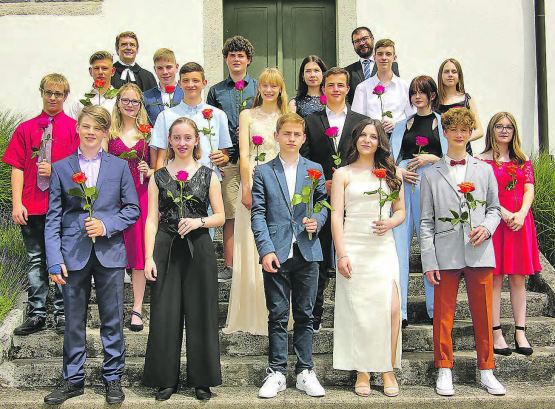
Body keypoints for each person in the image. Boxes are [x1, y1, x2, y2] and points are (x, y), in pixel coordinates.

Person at [43, 105, 140, 405]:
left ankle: (113, 378)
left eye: (97, 128)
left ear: (105, 132)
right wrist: (54, 259)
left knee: (113, 319)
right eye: (86, 126)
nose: (91, 132)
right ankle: (72, 379)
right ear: (78, 128)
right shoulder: (61, 167)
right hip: (73, 254)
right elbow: (53, 217)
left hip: (110, 253)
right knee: (73, 320)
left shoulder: (119, 167)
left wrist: (106, 225)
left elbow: (132, 209)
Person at [420, 107, 505, 396]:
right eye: (453, 129)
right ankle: (444, 368)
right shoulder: (430, 175)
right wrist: (429, 260)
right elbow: (426, 221)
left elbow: (494, 208)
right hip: (445, 253)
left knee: (484, 314)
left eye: (464, 130)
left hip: (479, 250)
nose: (459, 134)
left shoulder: (485, 169)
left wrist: (488, 228)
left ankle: (487, 369)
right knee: (443, 315)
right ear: (445, 133)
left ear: (470, 134)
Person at [143, 117, 224, 401]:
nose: (182, 143)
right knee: (165, 313)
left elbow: (221, 216)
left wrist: (199, 221)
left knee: (202, 313)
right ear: (169, 140)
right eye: (176, 137)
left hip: (198, 248)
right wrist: (148, 257)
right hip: (165, 248)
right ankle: (165, 379)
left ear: (196, 140)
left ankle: (202, 380)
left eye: (187, 137)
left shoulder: (209, 175)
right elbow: (151, 219)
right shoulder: (158, 176)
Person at [252, 112, 327, 399]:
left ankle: (305, 370)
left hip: (307, 252)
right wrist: (265, 249)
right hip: (277, 252)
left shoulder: (315, 169)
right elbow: (258, 213)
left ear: (304, 138)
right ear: (277, 136)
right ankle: (277, 372)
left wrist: (317, 220)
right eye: (287, 134)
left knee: (306, 314)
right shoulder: (264, 171)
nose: (291, 139)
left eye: (297, 134)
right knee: (278, 315)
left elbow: (322, 203)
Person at [331, 118, 405, 397]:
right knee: (360, 311)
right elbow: (336, 216)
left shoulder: (391, 172)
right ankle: (363, 370)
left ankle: (388, 368)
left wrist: (390, 222)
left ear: (380, 142)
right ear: (355, 139)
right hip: (354, 246)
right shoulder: (343, 174)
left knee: (392, 308)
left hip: (383, 247)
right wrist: (341, 253)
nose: (367, 140)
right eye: (363, 135)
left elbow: (401, 211)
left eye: (373, 136)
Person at [3, 74, 79, 336]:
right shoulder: (26, 129)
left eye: (58, 93)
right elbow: (16, 167)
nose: (53, 98)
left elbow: (81, 167)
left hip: (63, 207)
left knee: (62, 259)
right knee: (36, 259)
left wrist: (56, 169)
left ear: (66, 96)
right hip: (33, 205)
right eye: (49, 92)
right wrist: (17, 203)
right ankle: (37, 313)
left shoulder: (74, 129)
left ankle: (62, 312)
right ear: (42, 93)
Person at [300, 67, 367, 333]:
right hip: (322, 200)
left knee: (352, 255)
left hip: (355, 202)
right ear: (324, 89)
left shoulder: (362, 122)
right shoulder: (310, 121)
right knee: (318, 258)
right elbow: (304, 159)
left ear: (348, 89)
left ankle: (354, 315)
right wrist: (321, 183)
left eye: (340, 85)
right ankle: (314, 316)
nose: (336, 89)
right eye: (331, 85)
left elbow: (368, 158)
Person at [223, 67, 289, 335]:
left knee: (277, 243)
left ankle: (278, 312)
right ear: (259, 88)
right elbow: (244, 154)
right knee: (250, 244)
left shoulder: (287, 116)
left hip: (280, 185)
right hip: (252, 182)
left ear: (281, 89)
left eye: (274, 85)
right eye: (265, 85)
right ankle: (251, 312)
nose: (269, 90)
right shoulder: (247, 115)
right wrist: (247, 188)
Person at [476, 112, 541, 356]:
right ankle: (496, 333)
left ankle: (520, 332)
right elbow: (482, 193)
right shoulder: (480, 161)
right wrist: (503, 213)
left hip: (520, 223)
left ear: (514, 132)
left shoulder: (522, 161)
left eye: (509, 127)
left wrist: (521, 214)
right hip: (496, 222)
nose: (504, 131)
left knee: (518, 278)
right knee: (495, 278)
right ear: (491, 130)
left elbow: (528, 190)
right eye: (499, 126)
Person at [389, 76, 447, 328]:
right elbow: (389, 158)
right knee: (399, 245)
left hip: (431, 184)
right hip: (404, 184)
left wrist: (432, 159)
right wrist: (398, 171)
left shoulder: (443, 123)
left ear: (432, 95)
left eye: (422, 92)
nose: (417, 96)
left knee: (429, 244)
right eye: (413, 92)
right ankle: (401, 310)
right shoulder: (403, 125)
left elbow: (453, 157)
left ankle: (435, 309)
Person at [149, 62, 232, 239]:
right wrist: (161, 191)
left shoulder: (218, 115)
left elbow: (225, 155)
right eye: (186, 81)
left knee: (203, 241)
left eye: (195, 80)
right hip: (172, 187)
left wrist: (222, 158)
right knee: (171, 239)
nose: (190, 85)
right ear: (179, 84)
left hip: (205, 188)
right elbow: (161, 158)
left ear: (204, 83)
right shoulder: (166, 116)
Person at [104, 83, 156, 332]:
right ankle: (112, 309)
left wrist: (150, 170)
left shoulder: (148, 134)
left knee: (138, 253)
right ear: (118, 102)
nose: (130, 105)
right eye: (125, 100)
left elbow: (159, 170)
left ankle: (137, 308)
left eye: (135, 101)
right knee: (113, 252)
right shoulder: (109, 133)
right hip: (114, 198)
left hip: (140, 195)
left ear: (140, 105)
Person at [206, 35, 258, 282]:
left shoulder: (258, 87)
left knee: (258, 209)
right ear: (226, 59)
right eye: (232, 55)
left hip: (256, 159)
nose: (236, 59)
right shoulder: (216, 91)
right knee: (229, 212)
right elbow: (210, 125)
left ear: (248, 60)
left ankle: (256, 261)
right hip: (228, 161)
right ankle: (229, 264)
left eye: (241, 55)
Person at [352, 39, 415, 134]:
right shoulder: (362, 88)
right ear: (374, 58)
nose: (384, 58)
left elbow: (412, 117)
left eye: (388, 54)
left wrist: (398, 126)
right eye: (380, 54)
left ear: (394, 58)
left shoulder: (405, 86)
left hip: (399, 137)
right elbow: (357, 119)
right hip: (372, 138)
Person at [437, 58, 484, 154]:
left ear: (459, 76)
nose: (450, 74)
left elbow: (479, 131)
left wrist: (460, 139)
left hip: (464, 153)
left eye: (454, 72)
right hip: (441, 153)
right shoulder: (434, 102)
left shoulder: (467, 100)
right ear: (441, 75)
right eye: (446, 72)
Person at [344, 27, 399, 105]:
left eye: (365, 38)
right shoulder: (348, 71)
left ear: (372, 39)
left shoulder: (390, 65)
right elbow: (345, 100)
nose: (362, 43)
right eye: (357, 41)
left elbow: (396, 91)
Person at [67, 51, 118, 120]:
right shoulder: (80, 101)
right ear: (91, 71)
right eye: (96, 68)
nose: (100, 72)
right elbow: (72, 125)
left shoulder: (119, 100)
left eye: (104, 68)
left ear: (112, 71)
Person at [143, 48, 183, 125]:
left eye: (168, 67)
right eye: (160, 68)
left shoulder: (186, 94)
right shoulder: (146, 97)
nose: (165, 72)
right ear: (155, 69)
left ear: (177, 67)